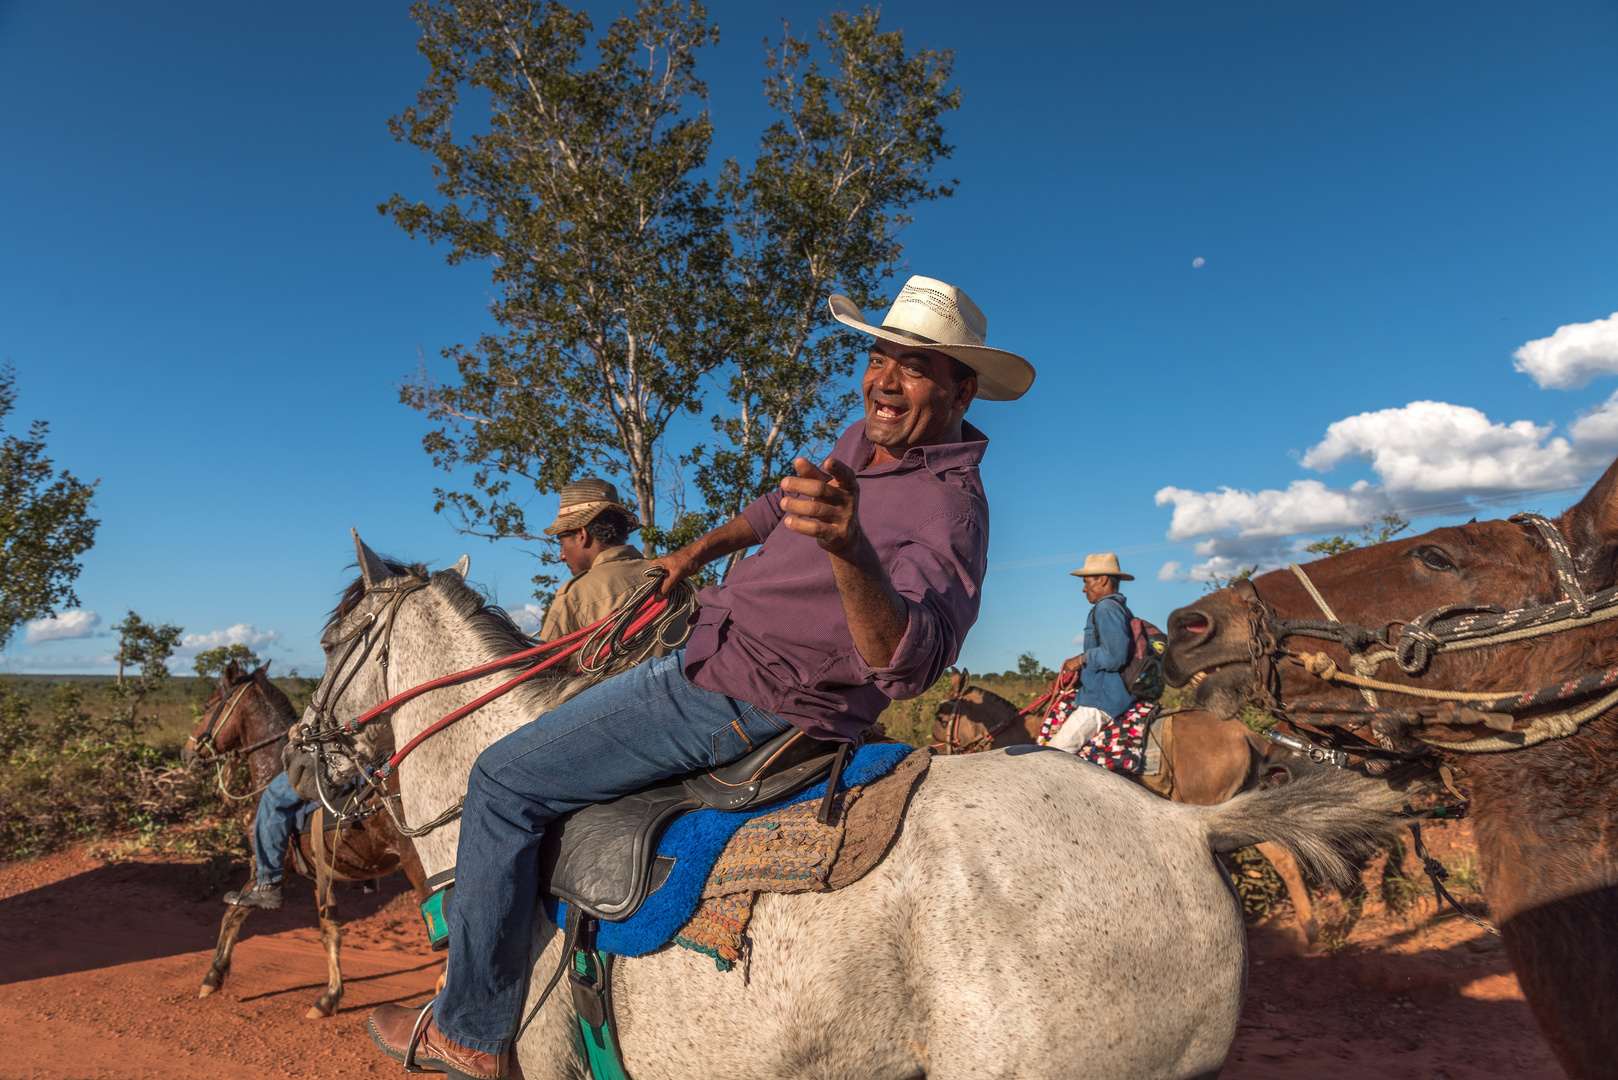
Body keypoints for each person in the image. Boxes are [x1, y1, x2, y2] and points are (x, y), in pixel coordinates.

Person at [364, 275, 1036, 1079]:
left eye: (915, 366)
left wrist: (850, 547)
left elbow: (910, 664)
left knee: (502, 780)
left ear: (963, 389)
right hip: (715, 647)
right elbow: (770, 509)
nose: (885, 379)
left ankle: (469, 1030)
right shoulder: (864, 443)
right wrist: (691, 554)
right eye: (880, 355)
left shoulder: (949, 507)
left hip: (739, 691)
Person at [536, 477, 660, 644]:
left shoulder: (574, 595)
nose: (562, 555)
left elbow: (547, 667)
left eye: (562, 542)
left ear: (581, 535)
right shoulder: (682, 581)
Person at [1048, 553, 1137, 754]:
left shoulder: (1106, 608)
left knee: (1050, 756)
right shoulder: (1117, 608)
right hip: (1100, 696)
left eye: (1087, 582)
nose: (1083, 588)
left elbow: (1115, 655)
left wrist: (1081, 659)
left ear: (1103, 580)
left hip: (1101, 702)